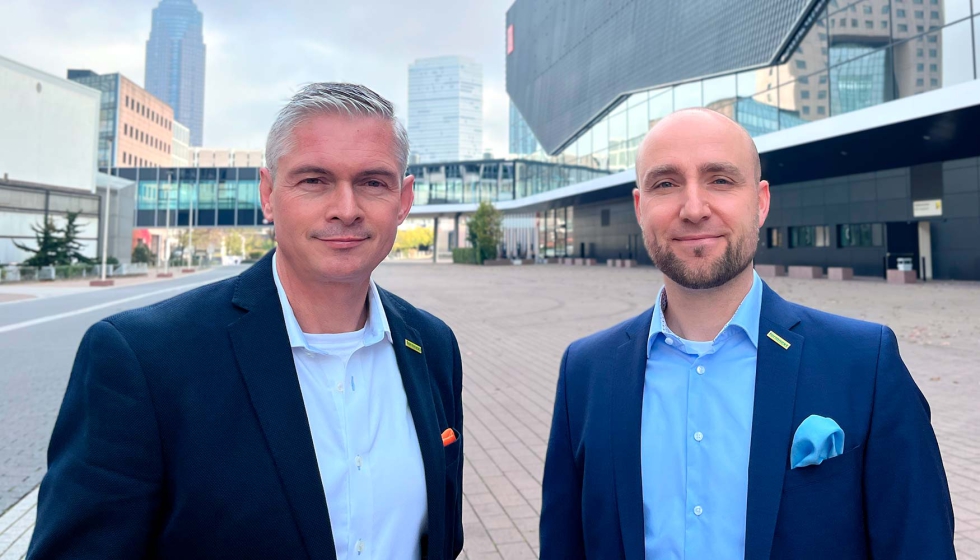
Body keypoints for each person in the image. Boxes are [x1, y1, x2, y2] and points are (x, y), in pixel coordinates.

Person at [29, 83, 464, 560]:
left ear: (403, 201)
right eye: (314, 181)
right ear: (269, 194)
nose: (346, 208)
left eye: (373, 182)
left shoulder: (432, 346)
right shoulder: (144, 359)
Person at [539, 108, 955, 560]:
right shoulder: (586, 372)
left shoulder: (863, 363)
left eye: (720, 180)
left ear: (760, 202)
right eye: (666, 183)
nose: (694, 209)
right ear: (640, 208)